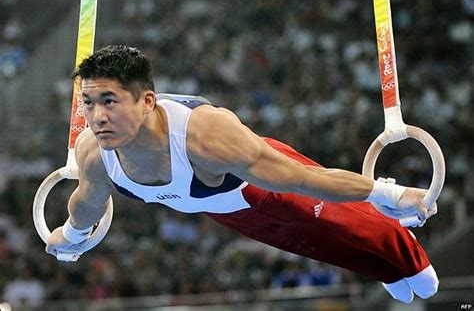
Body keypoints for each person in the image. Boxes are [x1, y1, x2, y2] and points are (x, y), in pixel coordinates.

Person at [46, 45, 439, 303]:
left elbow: (305, 179)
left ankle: (405, 254)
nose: (96, 117)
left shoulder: (208, 139)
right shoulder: (95, 154)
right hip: (222, 208)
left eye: (109, 101)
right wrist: (73, 238)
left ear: (147, 101)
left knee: (342, 224)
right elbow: (86, 203)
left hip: (260, 182)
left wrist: (387, 193)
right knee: (315, 247)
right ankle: (388, 265)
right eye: (89, 103)